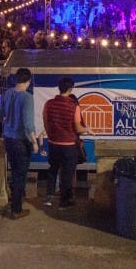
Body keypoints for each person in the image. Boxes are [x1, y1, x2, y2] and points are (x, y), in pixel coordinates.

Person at [0, 67, 37, 220]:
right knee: (20, 175)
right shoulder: (27, 97)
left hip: (8, 139)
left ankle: (15, 201)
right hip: (20, 141)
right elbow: (28, 124)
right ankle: (16, 209)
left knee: (14, 173)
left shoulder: (7, 94)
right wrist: (34, 142)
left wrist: (8, 120)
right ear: (28, 81)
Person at [42, 77, 88, 209]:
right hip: (69, 146)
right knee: (67, 174)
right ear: (70, 89)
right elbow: (78, 128)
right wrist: (88, 129)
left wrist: (51, 135)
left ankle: (49, 198)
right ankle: (64, 202)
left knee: (53, 170)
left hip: (53, 143)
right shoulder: (74, 106)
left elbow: (45, 122)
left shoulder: (49, 103)